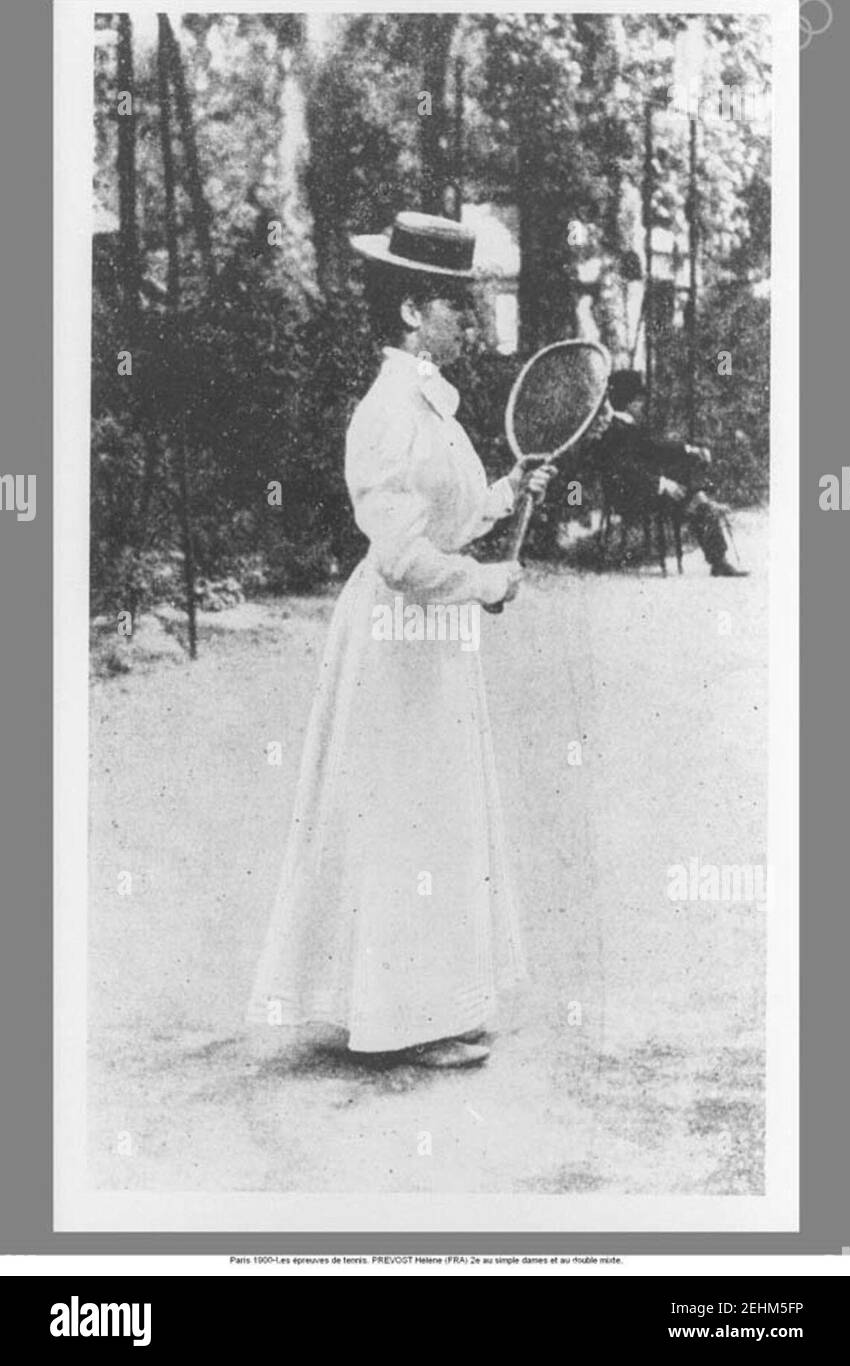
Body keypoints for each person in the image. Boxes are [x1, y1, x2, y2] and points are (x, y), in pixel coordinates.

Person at [246, 212, 554, 1070]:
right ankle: (400, 1015)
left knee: (436, 811)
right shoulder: (389, 411)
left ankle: (430, 1003)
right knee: (405, 812)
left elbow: (443, 521)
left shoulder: (430, 405)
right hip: (394, 638)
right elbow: (402, 559)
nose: (472, 320)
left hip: (428, 639)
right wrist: (488, 582)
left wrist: (505, 491)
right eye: (458, 306)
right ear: (415, 310)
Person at [591, 370, 748, 578]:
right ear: (628, 402)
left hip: (644, 490)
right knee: (695, 499)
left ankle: (701, 502)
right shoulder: (615, 432)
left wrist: (690, 450)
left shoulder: (628, 427)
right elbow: (627, 471)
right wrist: (664, 484)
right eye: (638, 401)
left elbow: (656, 448)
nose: (642, 405)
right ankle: (716, 552)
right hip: (628, 496)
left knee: (688, 476)